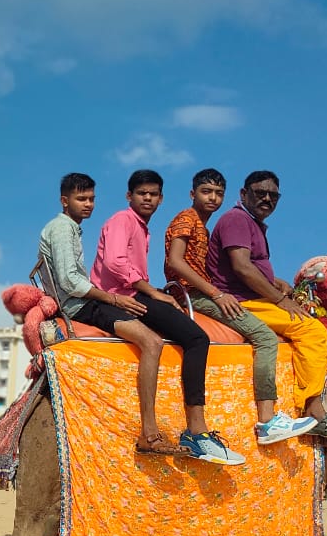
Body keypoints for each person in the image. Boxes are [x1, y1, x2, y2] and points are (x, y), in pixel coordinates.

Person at [90, 170, 244, 465]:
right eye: (141, 193)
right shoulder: (122, 220)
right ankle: (196, 431)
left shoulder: (143, 228)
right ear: (129, 197)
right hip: (121, 296)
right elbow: (114, 263)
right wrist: (152, 292)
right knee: (197, 337)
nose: (147, 198)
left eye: (152, 194)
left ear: (161, 198)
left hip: (134, 292)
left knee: (170, 327)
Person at [164, 168, 318, 446]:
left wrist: (275, 282)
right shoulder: (190, 219)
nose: (212, 198)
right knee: (266, 338)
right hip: (197, 294)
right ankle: (269, 418)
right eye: (206, 192)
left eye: (217, 193)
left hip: (207, 292)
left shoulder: (205, 224)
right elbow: (178, 262)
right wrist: (216, 293)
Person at [204, 171, 327, 442]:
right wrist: (280, 300)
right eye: (260, 193)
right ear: (243, 194)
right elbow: (241, 267)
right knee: (313, 330)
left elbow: (249, 267)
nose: (266, 199)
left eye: (273, 195)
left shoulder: (250, 223)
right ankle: (314, 409)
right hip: (244, 301)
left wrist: (275, 282)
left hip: (255, 296)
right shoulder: (237, 219)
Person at [40, 173, 183, 458]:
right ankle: (149, 432)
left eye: (91, 199)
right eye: (81, 199)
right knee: (152, 342)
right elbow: (71, 282)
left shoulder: (70, 229)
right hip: (80, 305)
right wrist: (114, 298)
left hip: (83, 301)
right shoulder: (61, 229)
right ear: (64, 201)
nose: (88, 204)